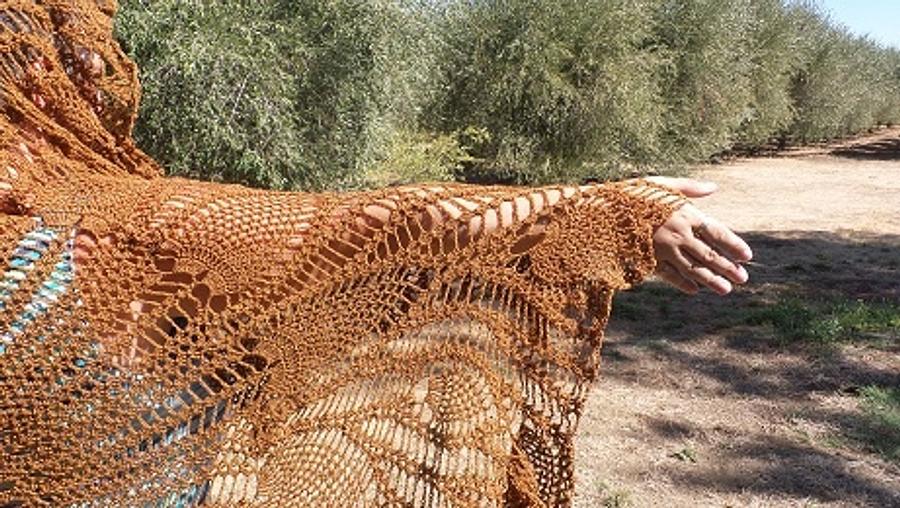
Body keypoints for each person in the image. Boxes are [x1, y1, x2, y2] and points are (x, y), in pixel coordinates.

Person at [0, 2, 750, 506]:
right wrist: (597, 216)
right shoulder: (83, 214)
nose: (100, 73)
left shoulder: (79, 205)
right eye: (77, 54)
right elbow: (357, 228)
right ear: (33, 77)